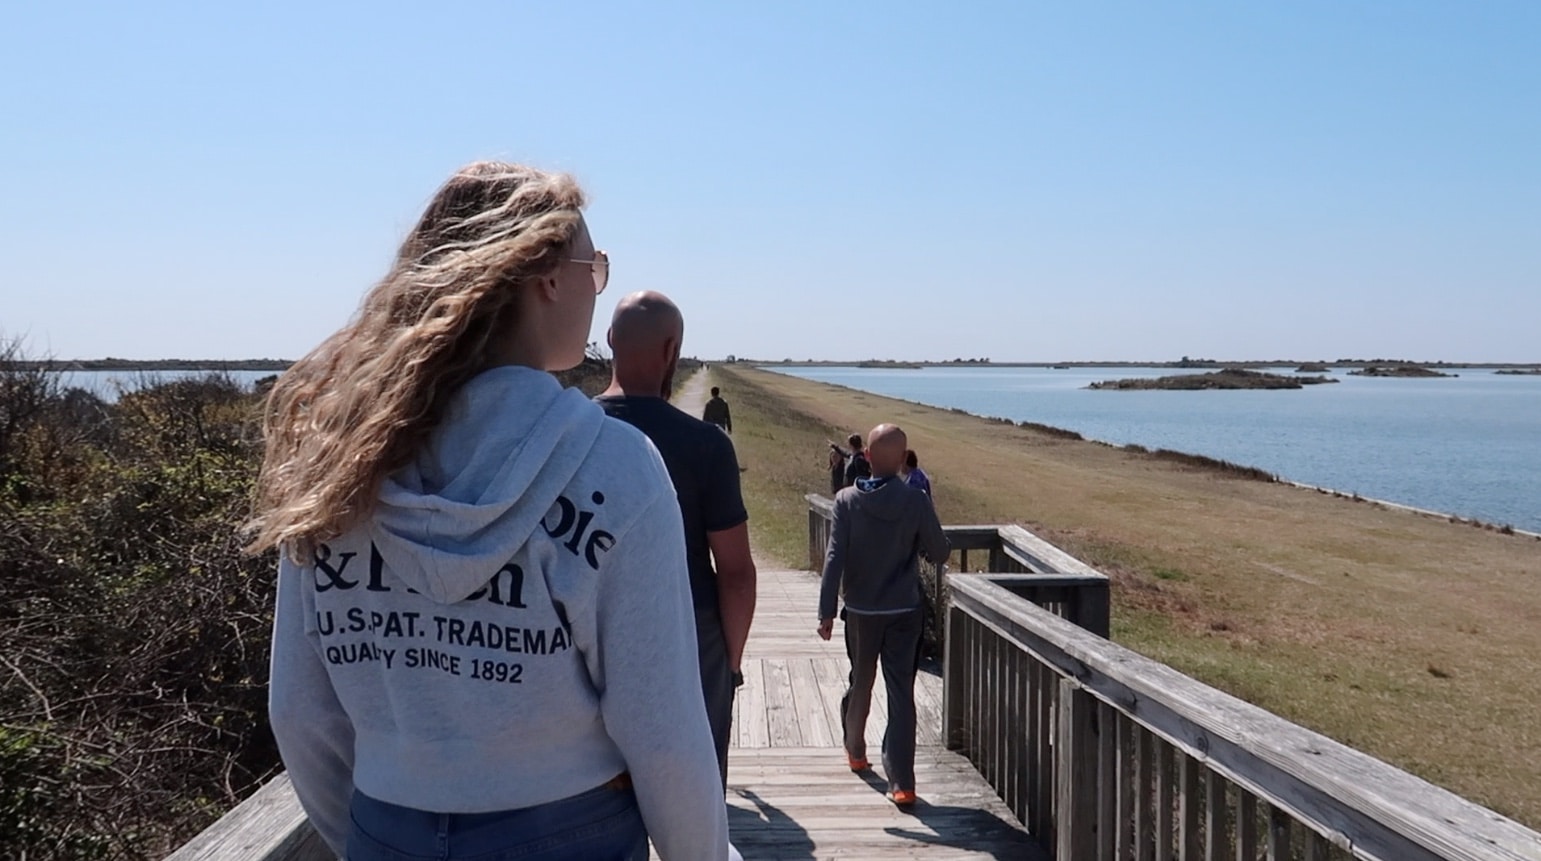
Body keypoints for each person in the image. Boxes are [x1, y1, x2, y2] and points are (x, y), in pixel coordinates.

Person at [251, 162, 729, 861]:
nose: (595, 287)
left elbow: (299, 709)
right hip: (570, 833)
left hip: (388, 824)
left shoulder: (338, 460)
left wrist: (370, 832)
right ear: (545, 277)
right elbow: (663, 733)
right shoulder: (616, 465)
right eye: (592, 267)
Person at [594, 291, 757, 791]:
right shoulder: (706, 445)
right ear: (672, 351)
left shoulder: (567, 431)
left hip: (587, 631)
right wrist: (729, 662)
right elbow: (734, 571)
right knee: (695, 785)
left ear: (610, 342)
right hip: (689, 632)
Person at [816, 424, 949, 809]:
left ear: (868, 458)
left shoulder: (846, 501)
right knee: (900, 693)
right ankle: (902, 783)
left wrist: (826, 611)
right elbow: (938, 552)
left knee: (861, 681)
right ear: (904, 459)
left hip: (860, 610)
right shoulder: (915, 501)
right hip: (904, 610)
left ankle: (855, 750)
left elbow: (833, 558)